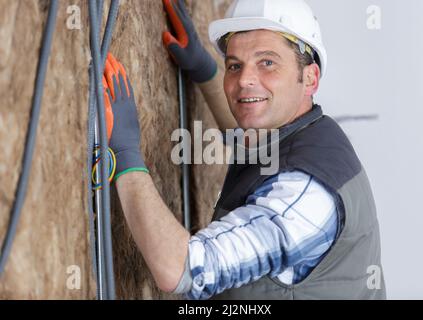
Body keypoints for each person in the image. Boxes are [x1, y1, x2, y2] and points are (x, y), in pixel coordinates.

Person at [102, 0, 386, 300]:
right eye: (235, 65)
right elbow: (248, 135)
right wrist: (205, 70)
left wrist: (125, 155)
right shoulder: (302, 133)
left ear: (310, 78)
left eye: (267, 63)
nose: (244, 80)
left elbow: (182, 269)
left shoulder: (305, 195)